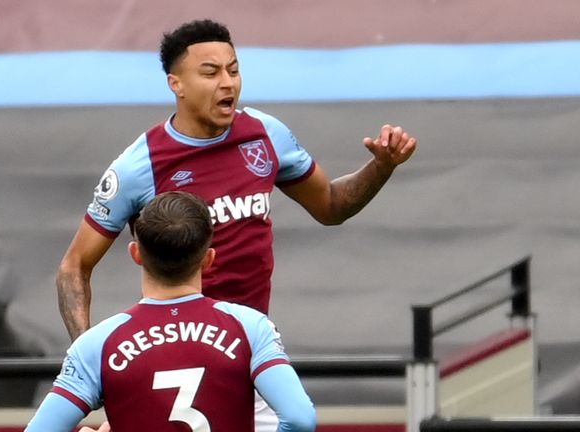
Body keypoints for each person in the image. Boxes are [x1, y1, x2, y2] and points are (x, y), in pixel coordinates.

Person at [56, 18, 417, 431]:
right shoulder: (139, 166)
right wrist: (86, 364)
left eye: (233, 69)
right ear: (176, 84)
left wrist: (382, 167)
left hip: (246, 353)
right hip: (168, 360)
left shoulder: (265, 135)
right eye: (210, 72)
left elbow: (331, 206)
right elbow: (73, 267)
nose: (227, 82)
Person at [27, 191, 316, 432]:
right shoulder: (250, 327)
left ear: (135, 253)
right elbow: (300, 419)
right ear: (209, 259)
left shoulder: (98, 344)